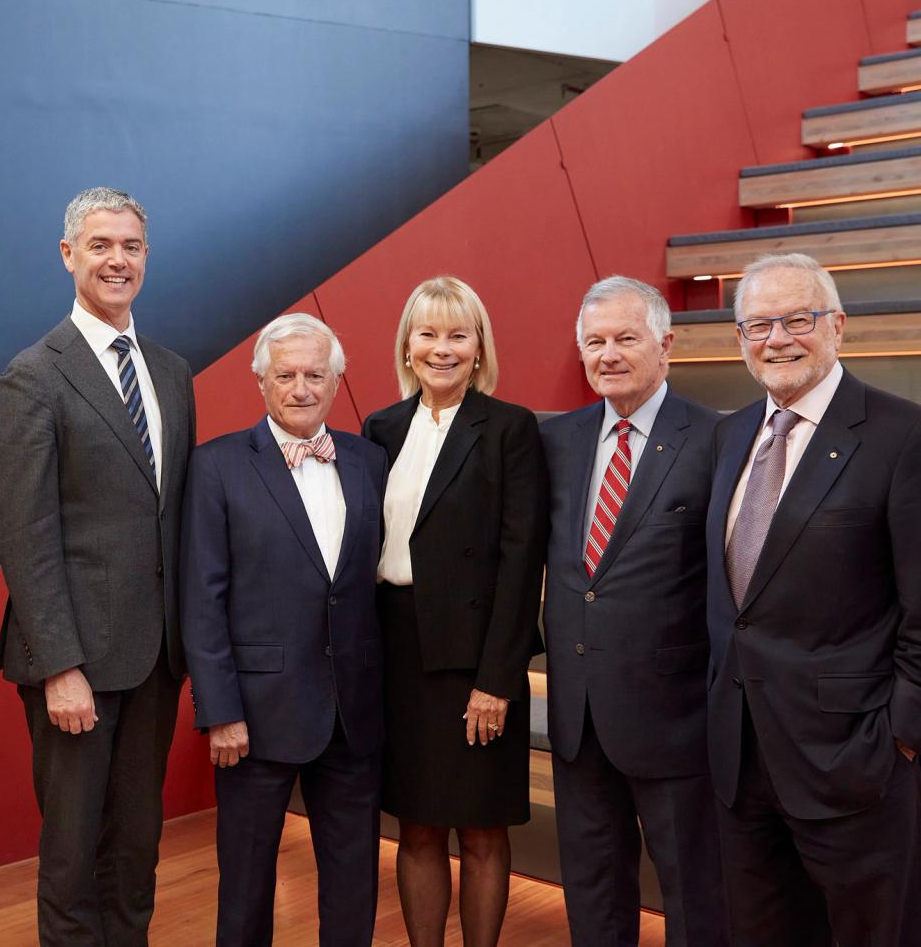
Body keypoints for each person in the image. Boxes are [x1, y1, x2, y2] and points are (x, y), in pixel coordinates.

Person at [0, 187, 196, 946]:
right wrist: (60, 666)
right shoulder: (31, 376)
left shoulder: (171, 373)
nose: (118, 260)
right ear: (68, 254)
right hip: (77, 662)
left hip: (156, 659)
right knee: (73, 856)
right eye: (101, 245)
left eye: (131, 247)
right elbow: (26, 533)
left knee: (137, 849)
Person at [707, 252, 921, 946]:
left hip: (854, 762)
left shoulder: (901, 435)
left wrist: (901, 736)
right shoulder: (729, 434)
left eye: (797, 319)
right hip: (742, 759)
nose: (777, 339)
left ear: (838, 327)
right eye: (758, 325)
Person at [180, 314, 387, 946]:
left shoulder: (368, 459)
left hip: (352, 713)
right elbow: (202, 598)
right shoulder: (216, 466)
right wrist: (220, 711)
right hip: (255, 716)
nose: (301, 388)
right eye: (286, 375)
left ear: (336, 380)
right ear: (262, 383)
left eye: (315, 375)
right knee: (245, 887)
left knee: (354, 880)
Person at [540, 276, 727, 946]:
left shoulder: (717, 438)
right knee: (592, 890)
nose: (608, 354)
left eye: (625, 338)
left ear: (666, 344)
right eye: (594, 342)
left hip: (674, 718)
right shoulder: (554, 440)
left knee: (694, 894)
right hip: (578, 716)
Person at [361, 276, 546, 947]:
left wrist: (497, 679)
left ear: (479, 348)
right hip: (400, 653)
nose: (441, 348)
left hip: (477, 659)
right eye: (428, 333)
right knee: (414, 824)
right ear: (408, 345)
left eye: (457, 335)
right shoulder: (379, 428)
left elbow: (523, 561)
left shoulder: (509, 429)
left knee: (482, 828)